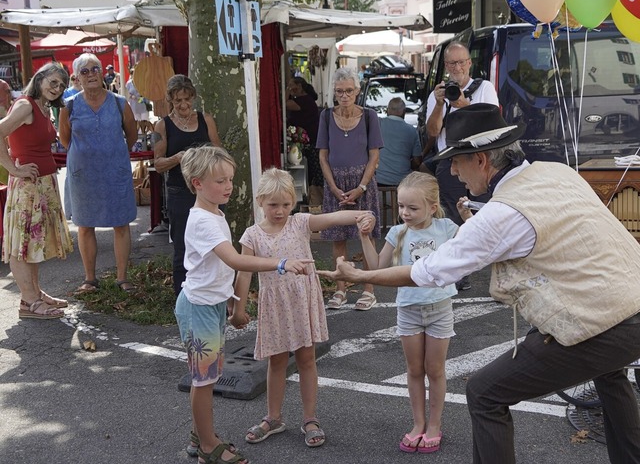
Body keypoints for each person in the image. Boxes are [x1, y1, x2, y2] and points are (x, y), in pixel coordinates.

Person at [319, 103, 640, 464]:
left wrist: (361, 276)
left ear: (482, 160)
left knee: (484, 393)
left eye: (457, 160)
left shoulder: (503, 213)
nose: (453, 171)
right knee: (611, 375)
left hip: (600, 323)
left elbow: (428, 272)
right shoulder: (556, 172)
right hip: (631, 305)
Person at [175, 145, 312, 463]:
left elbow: (223, 269)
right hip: (199, 308)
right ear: (197, 183)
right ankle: (208, 447)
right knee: (204, 380)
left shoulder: (213, 213)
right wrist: (280, 263)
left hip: (208, 307)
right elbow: (235, 259)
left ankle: (201, 438)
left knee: (207, 377)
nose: (228, 186)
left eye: (230, 179)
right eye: (220, 181)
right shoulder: (204, 221)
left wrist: (234, 306)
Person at [235, 168, 374, 448]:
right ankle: (273, 417)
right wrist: (238, 308)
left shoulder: (299, 223)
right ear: (260, 200)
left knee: (307, 359)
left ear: (294, 201)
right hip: (275, 305)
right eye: (273, 204)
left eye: (286, 204)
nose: (280, 211)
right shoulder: (251, 235)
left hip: (302, 302)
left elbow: (333, 217)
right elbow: (243, 272)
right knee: (275, 361)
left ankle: (310, 418)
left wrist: (361, 215)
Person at [358, 171, 456, 453]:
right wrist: (365, 236)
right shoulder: (397, 232)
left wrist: (468, 216)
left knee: (435, 370)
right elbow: (377, 267)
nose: (405, 213)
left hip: (440, 308)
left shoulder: (447, 228)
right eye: (401, 206)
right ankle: (418, 424)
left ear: (432, 207)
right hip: (409, 310)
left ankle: (434, 425)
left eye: (412, 208)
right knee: (414, 370)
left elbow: (474, 249)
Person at [58, 53, 138, 294]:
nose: (91, 74)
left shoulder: (119, 102)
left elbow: (131, 135)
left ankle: (122, 277)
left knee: (121, 223)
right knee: (85, 225)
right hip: (84, 175)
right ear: (77, 78)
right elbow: (64, 140)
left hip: (115, 172)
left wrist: (114, 154)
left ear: (102, 73)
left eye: (95, 69)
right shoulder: (68, 106)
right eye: (85, 71)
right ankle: (90, 279)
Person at [0, 62, 73, 318]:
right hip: (27, 187)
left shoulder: (43, 108)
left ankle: (35, 292)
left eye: (62, 85)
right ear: (39, 79)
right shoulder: (25, 105)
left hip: (42, 184)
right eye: (53, 82)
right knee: (22, 246)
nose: (57, 88)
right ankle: (29, 301)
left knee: (32, 244)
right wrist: (14, 169)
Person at [425, 42, 499, 291]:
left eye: (461, 62)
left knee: (486, 213)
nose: (457, 67)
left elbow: (492, 123)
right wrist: (439, 104)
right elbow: (433, 132)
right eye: (452, 63)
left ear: (469, 63)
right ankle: (460, 270)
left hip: (480, 160)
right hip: (451, 160)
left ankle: (496, 269)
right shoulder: (439, 94)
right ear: (446, 67)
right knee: (454, 215)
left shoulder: (484, 88)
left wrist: (465, 106)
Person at [316, 66, 383, 311]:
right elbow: (323, 157)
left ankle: (368, 288)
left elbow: (373, 156)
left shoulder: (369, 116)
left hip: (362, 184)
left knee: (366, 236)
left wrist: (362, 187)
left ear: (357, 91)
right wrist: (333, 188)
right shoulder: (325, 116)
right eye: (339, 91)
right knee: (338, 239)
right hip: (336, 185)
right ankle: (340, 289)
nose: (344, 96)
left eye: (348, 91)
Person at [153, 74, 222, 296]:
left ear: (193, 97)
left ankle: (212, 291)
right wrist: (177, 158)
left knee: (214, 241)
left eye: (187, 99)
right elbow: (158, 164)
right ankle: (182, 297)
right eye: (177, 100)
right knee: (183, 245)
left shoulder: (205, 119)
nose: (183, 105)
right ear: (170, 100)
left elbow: (219, 152)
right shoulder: (162, 126)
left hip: (208, 191)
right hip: (179, 192)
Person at [285, 77, 323, 206]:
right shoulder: (302, 100)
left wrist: (286, 91)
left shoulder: (305, 101)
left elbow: (284, 104)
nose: (290, 89)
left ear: (299, 86)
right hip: (307, 140)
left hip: (311, 141)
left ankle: (316, 200)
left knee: (313, 172)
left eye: (292, 86)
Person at [375, 97, 422, 187]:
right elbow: (417, 161)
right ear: (404, 112)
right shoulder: (411, 130)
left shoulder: (378, 124)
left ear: (387, 110)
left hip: (378, 178)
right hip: (402, 180)